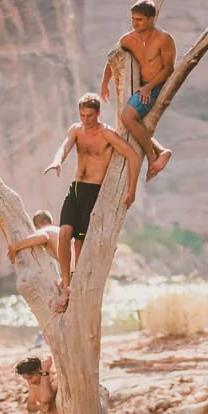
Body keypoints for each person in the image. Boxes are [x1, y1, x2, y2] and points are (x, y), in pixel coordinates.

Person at [45, 93, 141, 313]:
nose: (85, 119)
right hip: (76, 189)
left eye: (89, 115)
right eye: (82, 115)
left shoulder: (107, 134)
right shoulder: (76, 130)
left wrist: (132, 190)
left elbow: (134, 157)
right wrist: (57, 161)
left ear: (98, 113)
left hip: (94, 192)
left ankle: (77, 283)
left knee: (79, 243)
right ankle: (66, 284)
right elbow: (65, 147)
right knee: (64, 234)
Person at [100, 0, 175, 182]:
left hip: (157, 86)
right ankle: (161, 151)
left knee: (127, 117)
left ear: (151, 19)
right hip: (140, 87)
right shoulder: (129, 39)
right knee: (131, 122)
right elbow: (113, 58)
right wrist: (104, 84)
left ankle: (152, 157)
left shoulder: (164, 40)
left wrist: (149, 87)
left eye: (139, 19)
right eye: (133, 18)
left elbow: (168, 68)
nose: (135, 23)